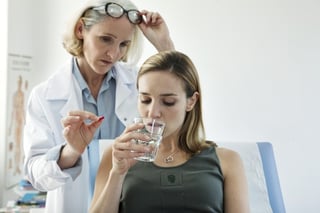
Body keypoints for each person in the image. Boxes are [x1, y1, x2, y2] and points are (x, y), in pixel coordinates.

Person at [23, 0, 174, 212]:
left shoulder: (139, 83)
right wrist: (72, 150)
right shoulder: (44, 96)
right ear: (80, 29)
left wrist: (164, 44)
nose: (113, 54)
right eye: (105, 39)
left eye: (123, 44)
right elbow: (36, 175)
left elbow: (180, 100)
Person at [67, 50, 249, 212]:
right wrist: (118, 173)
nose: (153, 112)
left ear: (191, 101)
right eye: (145, 100)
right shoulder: (116, 156)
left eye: (168, 102)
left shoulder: (227, 161)